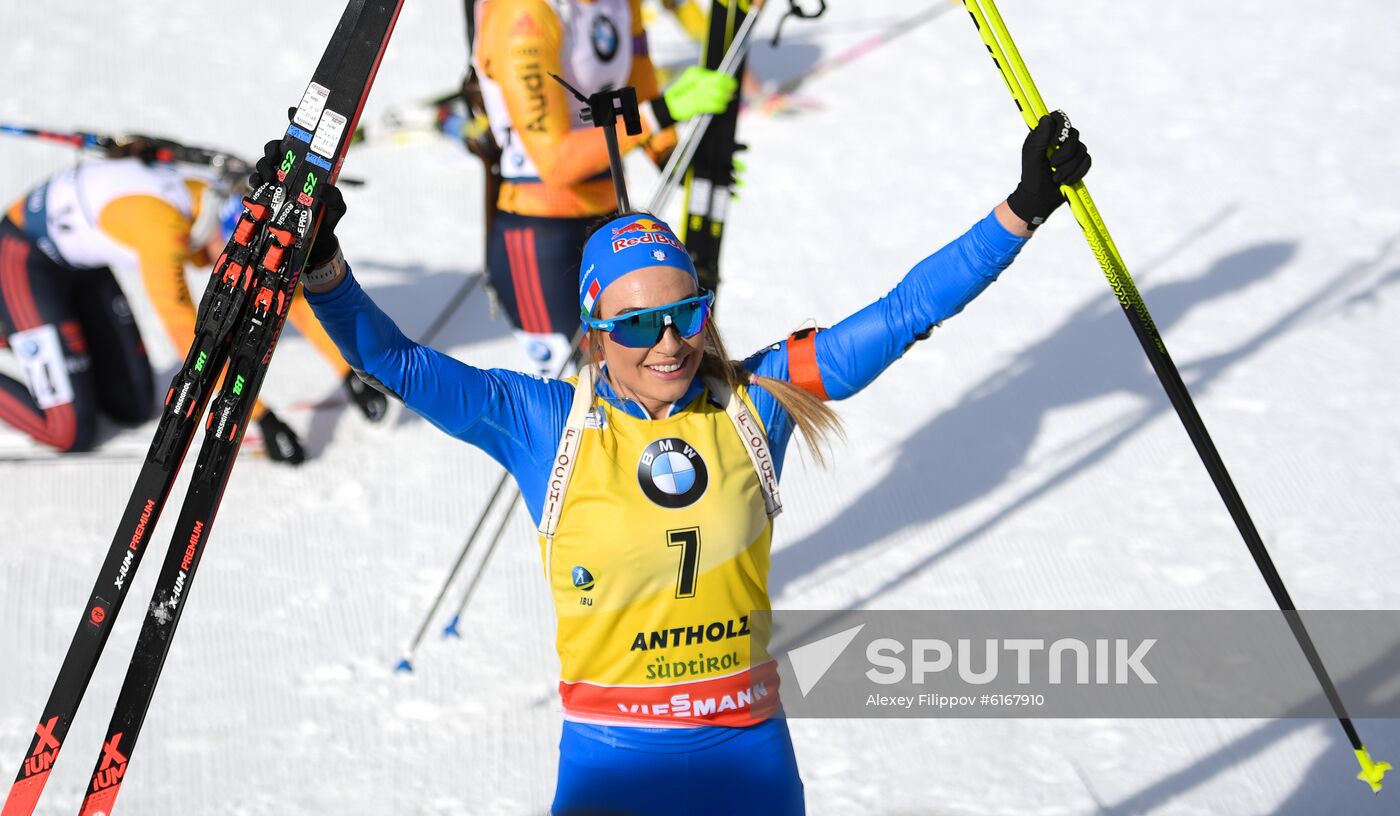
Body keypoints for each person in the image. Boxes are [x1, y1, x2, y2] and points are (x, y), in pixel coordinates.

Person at [287, 109, 1090, 813]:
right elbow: (398, 363)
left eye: (684, 316)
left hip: (748, 761)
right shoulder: (545, 424)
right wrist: (321, 265)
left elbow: (905, 313)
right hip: (611, 767)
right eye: (637, 326)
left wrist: (1019, 213)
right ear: (595, 332)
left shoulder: (757, 401)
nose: (666, 343)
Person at [0, 155, 387, 461]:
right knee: (68, 430)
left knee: (132, 405)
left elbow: (286, 297)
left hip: (78, 260)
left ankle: (38, 333)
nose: (248, 276)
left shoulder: (211, 201)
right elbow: (191, 335)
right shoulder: (163, 233)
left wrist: (352, 372)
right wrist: (258, 418)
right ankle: (20, 323)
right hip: (22, 258)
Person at [471, 0, 737, 375]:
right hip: (541, 237)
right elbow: (556, 162)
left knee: (646, 381)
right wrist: (662, 112)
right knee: (579, 402)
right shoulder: (524, 13)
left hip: (611, 224)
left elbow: (638, 84)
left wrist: (678, 159)